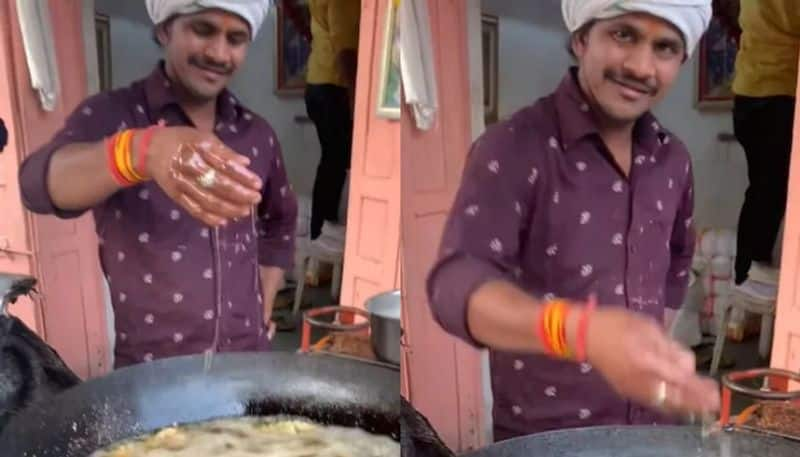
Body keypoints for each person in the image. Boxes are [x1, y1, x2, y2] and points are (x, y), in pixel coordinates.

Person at [427, 0, 720, 442]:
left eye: (664, 48)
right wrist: (583, 332)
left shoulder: (672, 159)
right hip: (547, 438)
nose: (641, 66)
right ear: (582, 39)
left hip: (656, 429)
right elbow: (454, 285)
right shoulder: (512, 146)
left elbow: (678, 259)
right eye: (624, 35)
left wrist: (653, 345)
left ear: (682, 60)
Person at [18, 0, 298, 369]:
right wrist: (139, 153)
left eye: (236, 39)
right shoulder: (113, 116)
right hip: (152, 376)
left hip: (248, 366)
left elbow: (280, 220)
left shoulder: (256, 134)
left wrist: (264, 295)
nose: (218, 52)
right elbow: (36, 186)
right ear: (166, 28)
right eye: (203, 30)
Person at [727, 0, 799, 301]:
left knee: (764, 187)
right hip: (777, 90)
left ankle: (749, 270)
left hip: (748, 91)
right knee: (771, 188)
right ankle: (751, 272)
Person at [305, 0, 360, 241]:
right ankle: (323, 232)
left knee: (333, 160)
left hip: (318, 83)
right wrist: (356, 96)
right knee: (338, 161)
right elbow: (345, 49)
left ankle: (321, 230)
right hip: (332, 85)